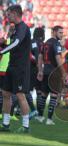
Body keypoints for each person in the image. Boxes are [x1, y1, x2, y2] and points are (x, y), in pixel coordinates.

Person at [0, 5, 31, 133]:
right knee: (6, 94)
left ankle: (26, 126)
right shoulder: (15, 28)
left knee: (20, 95)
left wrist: (2, 51)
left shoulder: (23, 27)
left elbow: (17, 42)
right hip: (11, 66)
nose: (7, 16)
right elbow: (12, 43)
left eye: (9, 14)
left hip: (20, 68)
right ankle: (6, 124)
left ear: (15, 13)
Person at [36, 25, 66, 125]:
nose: (62, 34)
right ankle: (49, 119)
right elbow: (58, 59)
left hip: (45, 71)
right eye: (60, 32)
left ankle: (40, 116)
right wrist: (64, 73)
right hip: (54, 72)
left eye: (62, 32)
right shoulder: (56, 44)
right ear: (54, 32)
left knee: (43, 94)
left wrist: (40, 70)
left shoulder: (45, 43)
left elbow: (40, 57)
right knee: (53, 95)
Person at [28, 27, 45, 119]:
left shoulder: (31, 42)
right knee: (39, 91)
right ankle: (39, 113)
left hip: (31, 69)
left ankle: (30, 110)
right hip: (41, 69)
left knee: (27, 90)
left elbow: (30, 55)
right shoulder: (43, 44)